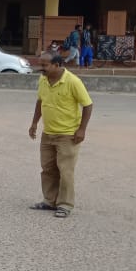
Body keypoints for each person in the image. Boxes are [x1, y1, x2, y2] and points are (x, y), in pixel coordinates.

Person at [29, 53, 93, 218]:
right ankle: (49, 201)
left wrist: (82, 129)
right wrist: (34, 123)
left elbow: (87, 105)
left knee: (65, 171)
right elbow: (40, 101)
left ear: (57, 65)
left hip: (68, 135)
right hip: (48, 132)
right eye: (40, 64)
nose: (41, 68)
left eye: (45, 65)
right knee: (48, 169)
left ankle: (65, 205)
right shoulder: (43, 80)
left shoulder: (72, 81)